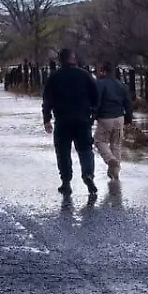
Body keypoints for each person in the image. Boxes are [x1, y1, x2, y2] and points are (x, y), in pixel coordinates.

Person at [42, 48, 99, 197]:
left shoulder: (54, 77)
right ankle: (88, 174)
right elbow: (95, 95)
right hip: (82, 119)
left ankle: (66, 182)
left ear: (60, 60)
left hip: (62, 120)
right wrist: (93, 114)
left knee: (63, 152)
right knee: (86, 150)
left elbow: (47, 100)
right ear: (72, 58)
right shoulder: (84, 75)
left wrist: (47, 119)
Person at [94, 62, 133, 181]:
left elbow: (97, 101)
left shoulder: (99, 84)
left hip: (105, 117)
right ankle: (114, 173)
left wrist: (93, 116)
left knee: (99, 141)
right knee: (116, 145)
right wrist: (128, 118)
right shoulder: (122, 85)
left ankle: (110, 159)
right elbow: (128, 103)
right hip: (119, 117)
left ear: (103, 71)